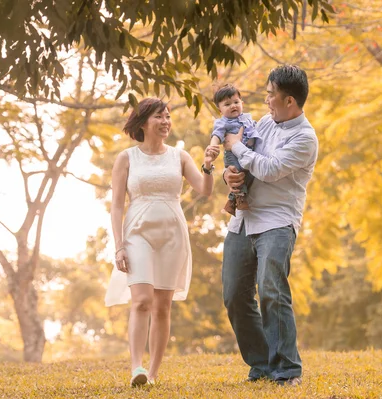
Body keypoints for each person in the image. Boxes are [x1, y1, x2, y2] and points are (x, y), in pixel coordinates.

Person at [105, 98, 220, 387]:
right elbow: (117, 205)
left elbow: (204, 190)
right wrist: (118, 245)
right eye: (159, 117)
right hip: (137, 233)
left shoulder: (179, 157)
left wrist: (208, 165)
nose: (166, 122)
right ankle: (136, 368)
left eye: (168, 116)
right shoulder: (126, 158)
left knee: (162, 306)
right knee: (141, 300)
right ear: (143, 122)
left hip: (172, 234)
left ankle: (153, 375)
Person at [221, 65, 318, 386]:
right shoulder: (264, 123)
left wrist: (235, 146)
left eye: (271, 94)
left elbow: (269, 168)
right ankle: (261, 364)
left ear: (289, 100)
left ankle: (287, 369)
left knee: (272, 290)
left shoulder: (305, 138)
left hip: (277, 222)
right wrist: (228, 174)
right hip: (243, 220)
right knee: (234, 294)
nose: (265, 100)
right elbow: (245, 164)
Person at [209, 84, 257, 216]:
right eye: (227, 104)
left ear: (242, 102)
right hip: (232, 156)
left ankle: (231, 202)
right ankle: (240, 198)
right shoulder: (222, 122)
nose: (233, 106)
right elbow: (217, 134)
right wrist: (213, 146)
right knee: (238, 175)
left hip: (246, 153)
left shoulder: (247, 118)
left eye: (236, 102)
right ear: (220, 110)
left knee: (249, 175)